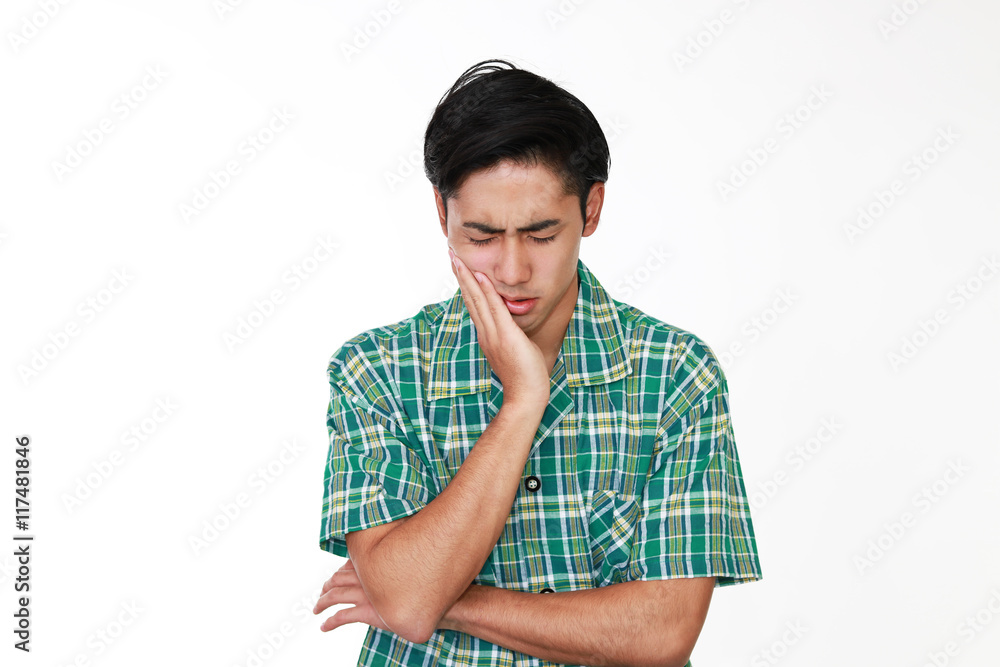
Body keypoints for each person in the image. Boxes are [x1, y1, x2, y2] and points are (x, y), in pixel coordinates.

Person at [313, 58, 762, 667]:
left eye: (541, 234)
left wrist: (449, 601)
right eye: (481, 237)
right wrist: (523, 403)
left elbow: (663, 634)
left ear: (592, 210)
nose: (513, 270)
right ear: (442, 214)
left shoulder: (677, 374)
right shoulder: (377, 371)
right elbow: (409, 604)